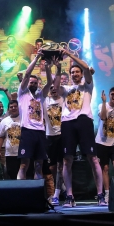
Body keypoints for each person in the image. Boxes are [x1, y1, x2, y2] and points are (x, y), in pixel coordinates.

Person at [59, 48, 104, 207]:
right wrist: (57, 66)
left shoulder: (87, 85)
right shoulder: (65, 89)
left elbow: (85, 67)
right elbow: (55, 85)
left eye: (77, 72)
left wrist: (69, 55)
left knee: (93, 158)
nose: (75, 74)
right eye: (72, 72)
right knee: (67, 160)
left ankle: (100, 195)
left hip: (84, 121)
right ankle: (70, 196)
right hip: (67, 123)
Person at [16, 52, 59, 180]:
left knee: (39, 164)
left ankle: (38, 190)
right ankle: (20, 189)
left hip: (40, 132)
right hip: (27, 131)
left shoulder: (41, 96)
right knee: (24, 164)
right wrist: (36, 58)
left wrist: (47, 67)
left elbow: (50, 82)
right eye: (31, 82)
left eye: (35, 83)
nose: (33, 84)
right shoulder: (23, 93)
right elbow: (27, 74)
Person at [95, 87, 114, 206]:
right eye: (112, 94)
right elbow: (102, 117)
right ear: (109, 95)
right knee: (105, 168)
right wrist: (103, 102)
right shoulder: (102, 105)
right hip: (101, 142)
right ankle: (107, 193)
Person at [45, 69, 66, 205]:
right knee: (52, 168)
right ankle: (61, 187)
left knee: (60, 166)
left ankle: (57, 193)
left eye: (55, 87)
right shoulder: (45, 100)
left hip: (62, 135)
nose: (53, 89)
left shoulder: (64, 99)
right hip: (49, 136)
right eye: (51, 87)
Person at [0, 100, 22, 180]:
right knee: (12, 176)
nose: (13, 108)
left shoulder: (24, 119)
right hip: (10, 155)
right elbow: (0, 137)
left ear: (19, 107)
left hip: (24, 154)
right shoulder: (4, 121)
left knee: (25, 176)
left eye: (15, 106)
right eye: (11, 107)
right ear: (8, 109)